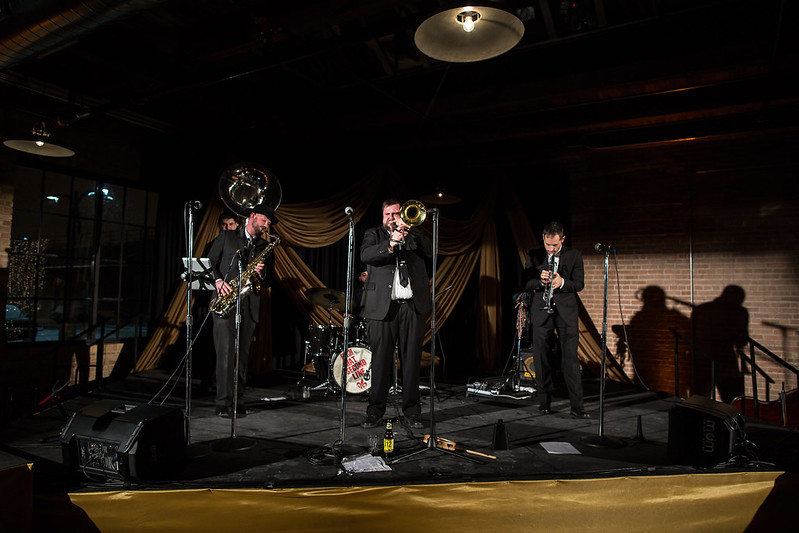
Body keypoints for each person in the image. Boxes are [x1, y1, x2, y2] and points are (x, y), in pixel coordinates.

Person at [359, 199, 432, 429]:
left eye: (396, 213)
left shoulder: (414, 234)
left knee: (411, 361)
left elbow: (430, 251)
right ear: (382, 216)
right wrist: (391, 244)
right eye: (388, 214)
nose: (392, 217)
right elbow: (366, 255)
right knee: (380, 362)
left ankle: (412, 411)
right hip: (383, 308)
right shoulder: (374, 234)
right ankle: (375, 410)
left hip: (411, 307)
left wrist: (411, 233)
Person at [207, 204, 277, 417]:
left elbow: (268, 281)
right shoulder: (227, 236)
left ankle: (237, 401)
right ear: (253, 216)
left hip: (249, 306)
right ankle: (222, 402)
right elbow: (210, 262)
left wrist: (263, 272)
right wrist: (218, 281)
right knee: (225, 355)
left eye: (268, 224)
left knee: (242, 357)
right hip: (225, 302)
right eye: (264, 221)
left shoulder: (265, 245)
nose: (266, 226)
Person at [523, 221, 589, 418]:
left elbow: (579, 284)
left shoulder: (574, 255)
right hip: (541, 312)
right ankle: (544, 403)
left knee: (570, 359)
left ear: (562, 239)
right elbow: (526, 282)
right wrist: (539, 281)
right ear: (543, 238)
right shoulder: (534, 254)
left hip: (566, 313)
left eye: (555, 246)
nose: (551, 249)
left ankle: (577, 407)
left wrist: (562, 283)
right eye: (548, 245)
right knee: (542, 359)